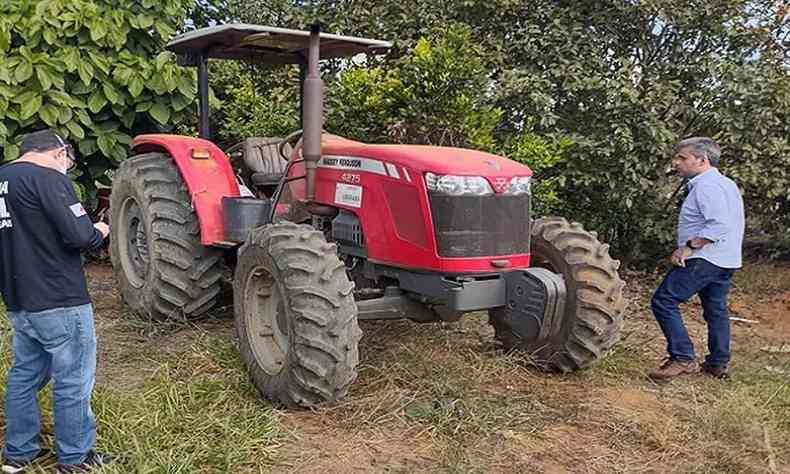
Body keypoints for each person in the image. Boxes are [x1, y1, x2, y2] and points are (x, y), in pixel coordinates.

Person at [0, 129, 113, 472]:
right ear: (59, 152)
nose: (67, 166)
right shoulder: (49, 178)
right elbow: (81, 236)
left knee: (25, 374)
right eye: (68, 160)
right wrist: (101, 230)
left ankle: (18, 453)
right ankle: (75, 457)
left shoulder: (3, 179)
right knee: (74, 377)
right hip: (59, 297)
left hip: (19, 298)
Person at [648, 137, 745, 382]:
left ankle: (682, 357)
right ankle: (717, 363)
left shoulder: (706, 187)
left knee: (664, 300)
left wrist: (689, 247)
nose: (676, 162)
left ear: (702, 160)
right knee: (716, 310)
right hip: (726, 259)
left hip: (706, 258)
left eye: (682, 158)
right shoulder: (725, 183)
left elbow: (719, 224)